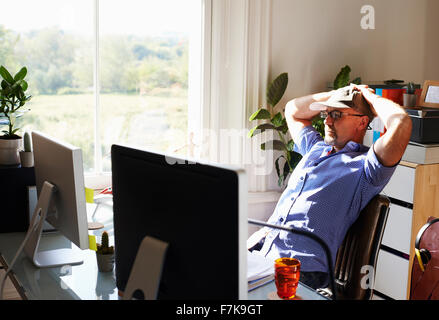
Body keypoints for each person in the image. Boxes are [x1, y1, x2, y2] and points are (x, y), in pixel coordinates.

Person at [247, 84, 413, 290]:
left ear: (362, 122)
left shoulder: (365, 168)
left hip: (300, 272)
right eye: (326, 113)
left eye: (336, 114)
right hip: (261, 252)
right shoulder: (315, 148)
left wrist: (370, 99)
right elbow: (292, 110)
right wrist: (336, 95)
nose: (326, 120)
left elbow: (402, 124)